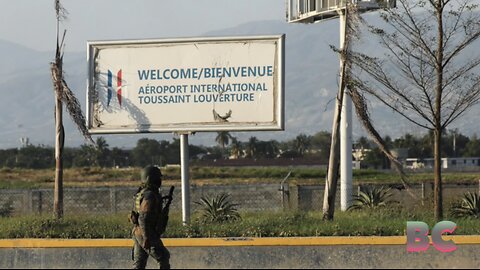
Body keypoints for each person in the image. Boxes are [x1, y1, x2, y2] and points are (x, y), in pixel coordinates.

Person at [130, 166, 172, 269]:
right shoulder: (149, 195)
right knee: (163, 257)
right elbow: (143, 218)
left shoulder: (143, 193)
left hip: (138, 232)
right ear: (150, 179)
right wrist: (146, 237)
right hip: (146, 232)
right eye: (158, 178)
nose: (160, 181)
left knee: (139, 264)